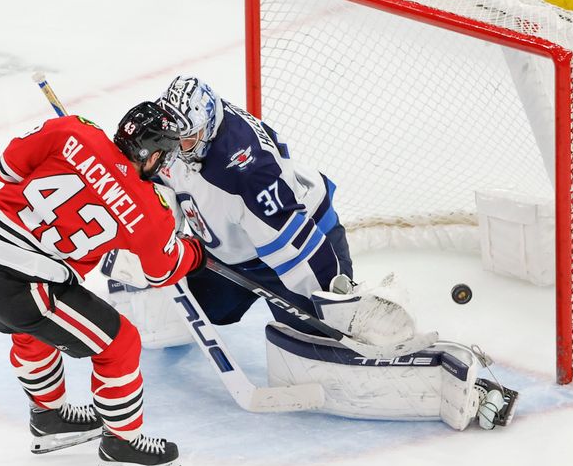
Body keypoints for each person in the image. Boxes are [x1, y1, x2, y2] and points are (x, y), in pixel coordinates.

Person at [0, 102, 205, 466]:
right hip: (23, 286)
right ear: (153, 155)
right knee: (120, 344)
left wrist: (85, 166)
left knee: (31, 326)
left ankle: (50, 418)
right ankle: (123, 445)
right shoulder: (147, 208)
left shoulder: (74, 130)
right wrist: (195, 252)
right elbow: (162, 270)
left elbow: (7, 169)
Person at [105, 76, 415, 348]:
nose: (181, 147)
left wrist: (335, 301)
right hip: (232, 250)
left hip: (305, 237)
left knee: (320, 335)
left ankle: (358, 314)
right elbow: (157, 185)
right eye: (177, 139)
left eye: (190, 139)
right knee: (193, 309)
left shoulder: (247, 168)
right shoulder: (176, 132)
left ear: (209, 125)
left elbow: (291, 241)